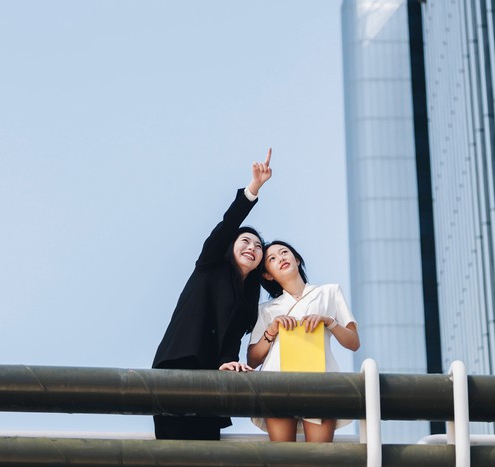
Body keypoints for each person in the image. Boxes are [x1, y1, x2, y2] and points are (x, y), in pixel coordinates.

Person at [151, 148, 273, 440]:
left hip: (215, 380)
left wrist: (229, 362)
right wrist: (254, 188)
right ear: (230, 247)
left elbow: (232, 339)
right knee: (172, 452)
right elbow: (228, 224)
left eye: (258, 247)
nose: (252, 248)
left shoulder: (248, 300)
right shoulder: (209, 265)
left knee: (205, 457)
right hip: (179, 365)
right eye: (245, 241)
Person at [247, 240, 360, 442]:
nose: (281, 258)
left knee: (320, 458)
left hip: (321, 381)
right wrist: (272, 330)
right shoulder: (265, 309)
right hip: (276, 382)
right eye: (272, 259)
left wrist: (329, 322)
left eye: (284, 252)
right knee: (283, 459)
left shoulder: (329, 292)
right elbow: (253, 360)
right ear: (267, 274)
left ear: (296, 259)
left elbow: (353, 343)